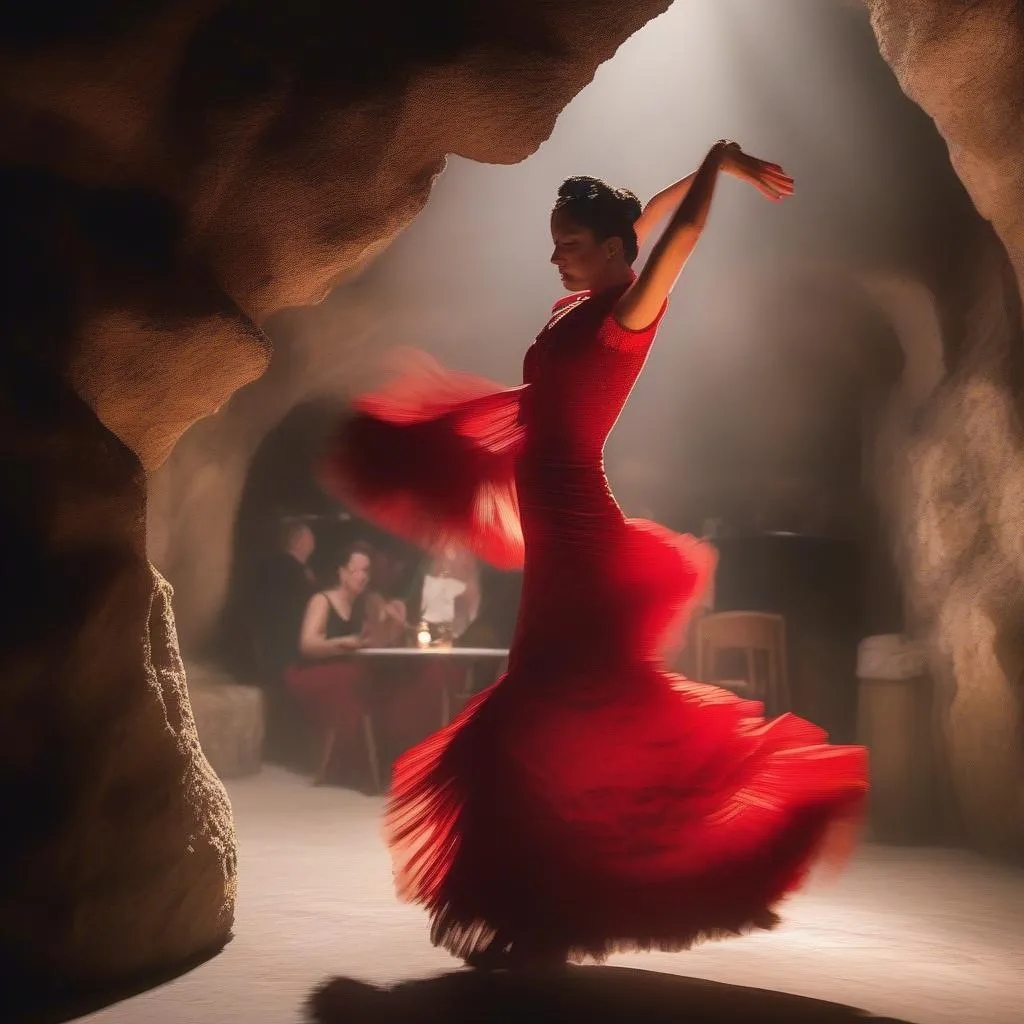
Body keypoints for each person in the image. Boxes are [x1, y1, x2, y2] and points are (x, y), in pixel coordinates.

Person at [320, 141, 869, 967]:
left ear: (613, 256)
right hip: (558, 538)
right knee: (555, 712)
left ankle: (547, 901)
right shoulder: (590, 291)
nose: (554, 256)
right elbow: (642, 218)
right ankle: (545, 901)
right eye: (555, 241)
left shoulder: (627, 314)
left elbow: (671, 237)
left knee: (549, 708)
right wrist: (697, 167)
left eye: (569, 244)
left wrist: (717, 171)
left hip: (583, 538)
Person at [298, 540, 373, 659]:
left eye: (365, 571)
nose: (362, 577)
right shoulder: (322, 600)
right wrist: (341, 643)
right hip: (318, 671)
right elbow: (307, 645)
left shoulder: (362, 604)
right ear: (342, 572)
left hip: (348, 670)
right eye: (355, 571)